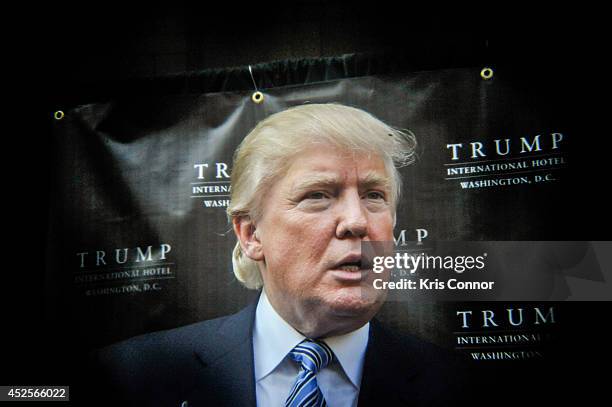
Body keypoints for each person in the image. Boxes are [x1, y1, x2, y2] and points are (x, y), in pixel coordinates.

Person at [91, 103, 470, 406]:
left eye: (374, 195)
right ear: (252, 233)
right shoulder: (129, 378)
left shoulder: (464, 387)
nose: (356, 221)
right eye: (318, 195)